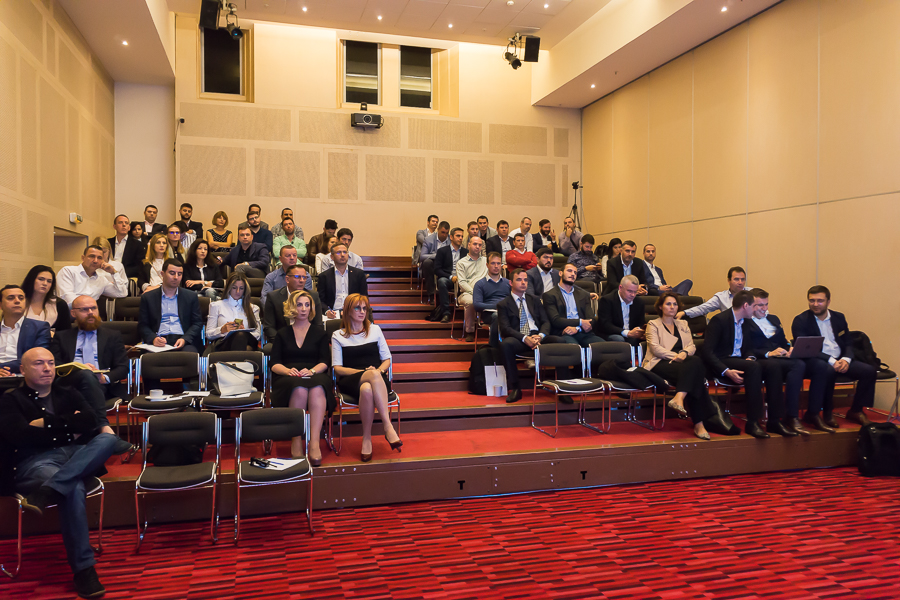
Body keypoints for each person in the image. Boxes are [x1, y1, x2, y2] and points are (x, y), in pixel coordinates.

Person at [0, 347, 117, 599]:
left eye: (51, 363)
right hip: (35, 463)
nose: (47, 368)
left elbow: (90, 421)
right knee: (72, 486)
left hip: (74, 455)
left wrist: (46, 425)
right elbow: (20, 435)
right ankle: (84, 570)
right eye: (38, 363)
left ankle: (50, 489)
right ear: (23, 369)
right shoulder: (10, 399)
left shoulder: (68, 392)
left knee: (109, 439)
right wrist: (69, 430)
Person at [49, 295, 134, 453]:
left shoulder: (112, 335)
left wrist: (104, 378)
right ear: (73, 313)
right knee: (86, 374)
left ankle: (83, 439)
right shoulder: (62, 336)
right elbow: (55, 365)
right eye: (84, 309)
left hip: (100, 385)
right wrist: (78, 369)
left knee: (88, 380)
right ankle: (103, 427)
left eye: (93, 308)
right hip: (68, 384)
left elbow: (123, 367)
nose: (90, 312)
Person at [791, 285, 877, 429]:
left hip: (840, 358)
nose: (815, 304)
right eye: (812, 300)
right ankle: (825, 413)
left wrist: (846, 359)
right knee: (827, 370)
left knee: (869, 371)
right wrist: (831, 361)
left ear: (828, 302)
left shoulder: (838, 317)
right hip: (816, 360)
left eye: (820, 301)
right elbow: (806, 348)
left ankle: (856, 410)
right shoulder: (801, 320)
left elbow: (848, 342)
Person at [331, 294, 401, 462]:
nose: (362, 312)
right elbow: (338, 368)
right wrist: (364, 372)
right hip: (350, 380)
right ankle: (387, 426)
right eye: (357, 308)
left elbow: (387, 360)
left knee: (367, 388)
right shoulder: (338, 335)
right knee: (371, 377)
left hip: (377, 380)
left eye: (364, 308)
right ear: (347, 311)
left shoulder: (375, 330)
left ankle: (367, 438)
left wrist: (378, 371)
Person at [642, 292, 717, 440]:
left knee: (694, 364)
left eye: (675, 304)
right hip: (659, 362)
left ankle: (679, 397)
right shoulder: (653, 324)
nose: (672, 307)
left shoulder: (683, 324)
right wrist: (676, 356)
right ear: (660, 307)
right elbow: (655, 349)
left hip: (683, 364)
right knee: (695, 369)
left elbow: (691, 346)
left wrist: (684, 353)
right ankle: (699, 423)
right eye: (668, 304)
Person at [270, 290, 332, 464]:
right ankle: (296, 440)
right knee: (299, 388)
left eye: (307, 305)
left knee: (318, 387)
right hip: (287, 376)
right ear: (292, 307)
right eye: (299, 305)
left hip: (314, 373)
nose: (304, 309)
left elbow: (325, 362)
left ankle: (314, 442)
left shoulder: (320, 332)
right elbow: (274, 363)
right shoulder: (282, 333)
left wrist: (312, 371)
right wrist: (287, 371)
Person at [700, 289, 769, 439]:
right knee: (754, 368)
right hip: (721, 361)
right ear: (745, 306)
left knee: (767, 366)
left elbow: (748, 347)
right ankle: (753, 422)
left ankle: (770, 419)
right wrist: (726, 371)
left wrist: (750, 357)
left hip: (739, 360)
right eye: (754, 306)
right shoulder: (719, 320)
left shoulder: (746, 322)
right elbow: (707, 352)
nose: (755, 310)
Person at [743, 289, 807, 436]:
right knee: (774, 366)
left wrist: (789, 349)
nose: (764, 308)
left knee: (799, 364)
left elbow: (783, 341)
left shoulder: (773, 319)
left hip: (779, 357)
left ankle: (791, 415)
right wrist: (768, 353)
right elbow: (745, 347)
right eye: (760, 305)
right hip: (760, 359)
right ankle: (774, 420)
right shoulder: (745, 322)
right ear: (750, 305)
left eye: (766, 304)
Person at [497, 269, 564, 404]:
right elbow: (506, 329)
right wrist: (524, 338)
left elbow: (545, 322)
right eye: (519, 279)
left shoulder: (535, 300)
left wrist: (540, 336)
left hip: (537, 336)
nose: (523, 282)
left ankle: (562, 388)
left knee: (560, 342)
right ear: (511, 283)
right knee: (506, 345)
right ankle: (515, 388)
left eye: (525, 280)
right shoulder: (503, 304)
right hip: (519, 338)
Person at [138, 259, 202, 355]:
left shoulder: (191, 296)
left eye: (179, 274)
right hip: (159, 340)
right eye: (172, 273)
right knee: (148, 358)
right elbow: (143, 325)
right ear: (162, 274)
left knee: (190, 356)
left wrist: (185, 339)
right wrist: (153, 338)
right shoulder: (148, 297)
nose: (176, 277)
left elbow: (197, 323)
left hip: (183, 340)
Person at [542, 264, 603, 347]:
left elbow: (591, 319)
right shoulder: (550, 295)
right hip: (564, 333)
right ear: (560, 273)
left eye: (575, 273)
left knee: (604, 347)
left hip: (583, 332)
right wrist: (580, 322)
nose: (573, 274)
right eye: (569, 271)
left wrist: (577, 328)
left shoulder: (583, 294)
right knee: (574, 349)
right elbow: (555, 320)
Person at [263, 264, 323, 345]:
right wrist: (281, 342)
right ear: (287, 279)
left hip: (308, 341)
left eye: (304, 277)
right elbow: (269, 327)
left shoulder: (313, 296)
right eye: (297, 277)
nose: (302, 280)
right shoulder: (273, 297)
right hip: (282, 341)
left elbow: (318, 325)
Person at [0, 285, 51, 375]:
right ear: (0, 305)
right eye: (11, 298)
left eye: (21, 298)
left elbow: (36, 358)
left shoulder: (40, 327)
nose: (17, 301)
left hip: (23, 376)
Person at [56, 245, 128, 307]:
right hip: (69, 312)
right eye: (92, 256)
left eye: (99, 258)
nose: (95, 261)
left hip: (90, 313)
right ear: (83, 258)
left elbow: (122, 293)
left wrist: (113, 272)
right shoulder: (68, 271)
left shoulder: (101, 280)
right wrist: (88, 308)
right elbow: (67, 298)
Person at [205, 273, 261, 352]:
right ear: (229, 288)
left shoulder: (253, 308)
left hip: (247, 342)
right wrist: (222, 330)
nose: (238, 291)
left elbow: (258, 335)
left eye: (241, 288)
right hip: (224, 343)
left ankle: (236, 358)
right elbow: (208, 334)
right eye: (234, 288)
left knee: (240, 336)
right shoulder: (216, 306)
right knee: (242, 342)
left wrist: (245, 332)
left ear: (245, 290)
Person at [318, 243, 368, 319]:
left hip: (354, 312)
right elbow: (320, 300)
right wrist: (327, 311)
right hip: (333, 314)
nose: (342, 255)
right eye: (338, 252)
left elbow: (364, 297)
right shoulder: (324, 276)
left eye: (345, 252)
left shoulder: (358, 274)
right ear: (332, 257)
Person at [680, 266, 751, 320]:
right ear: (729, 281)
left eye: (742, 279)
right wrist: (684, 313)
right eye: (736, 279)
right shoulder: (721, 297)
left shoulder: (752, 293)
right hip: (730, 330)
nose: (740, 282)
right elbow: (703, 308)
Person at [471, 253, 511, 342]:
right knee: (497, 316)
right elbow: (477, 305)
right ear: (487, 265)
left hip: (507, 313)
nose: (496, 266)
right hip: (489, 314)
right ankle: (494, 347)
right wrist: (498, 306)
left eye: (498, 263)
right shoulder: (480, 284)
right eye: (493, 263)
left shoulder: (508, 283)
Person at [596, 275, 645, 344]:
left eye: (635, 292)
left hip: (631, 334)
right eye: (630, 291)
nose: (633, 295)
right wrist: (627, 333)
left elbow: (641, 322)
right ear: (620, 288)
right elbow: (605, 325)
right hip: (612, 333)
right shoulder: (607, 300)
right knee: (619, 339)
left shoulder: (639, 302)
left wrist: (638, 331)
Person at [22, 265, 71, 334]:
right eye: (41, 279)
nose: (45, 283)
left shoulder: (60, 304)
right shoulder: (19, 301)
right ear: (31, 280)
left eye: (49, 281)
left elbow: (65, 332)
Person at [431, 227, 464, 324]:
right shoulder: (442, 251)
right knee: (442, 281)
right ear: (451, 237)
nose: (460, 238)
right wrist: (451, 277)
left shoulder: (466, 252)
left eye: (462, 236)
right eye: (458, 236)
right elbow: (437, 269)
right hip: (449, 278)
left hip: (463, 279)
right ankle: (446, 313)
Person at [453, 237, 488, 329]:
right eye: (475, 244)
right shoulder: (461, 263)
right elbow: (462, 283)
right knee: (471, 302)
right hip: (467, 293)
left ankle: (496, 332)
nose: (477, 247)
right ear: (469, 245)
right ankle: (470, 331)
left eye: (480, 245)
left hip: (486, 292)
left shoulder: (487, 261)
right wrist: (476, 293)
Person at [418, 221, 450, 301]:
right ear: (438, 229)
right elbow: (422, 256)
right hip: (433, 264)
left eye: (446, 233)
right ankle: (432, 294)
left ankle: (450, 295)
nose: (444, 235)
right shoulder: (429, 239)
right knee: (427, 263)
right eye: (442, 232)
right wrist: (437, 255)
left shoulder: (450, 239)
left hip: (446, 264)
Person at [108, 214, 144, 279]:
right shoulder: (108, 242)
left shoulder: (138, 245)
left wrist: (118, 273)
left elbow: (139, 266)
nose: (124, 225)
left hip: (126, 277)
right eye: (120, 222)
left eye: (126, 223)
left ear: (129, 228)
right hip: (107, 275)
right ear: (114, 226)